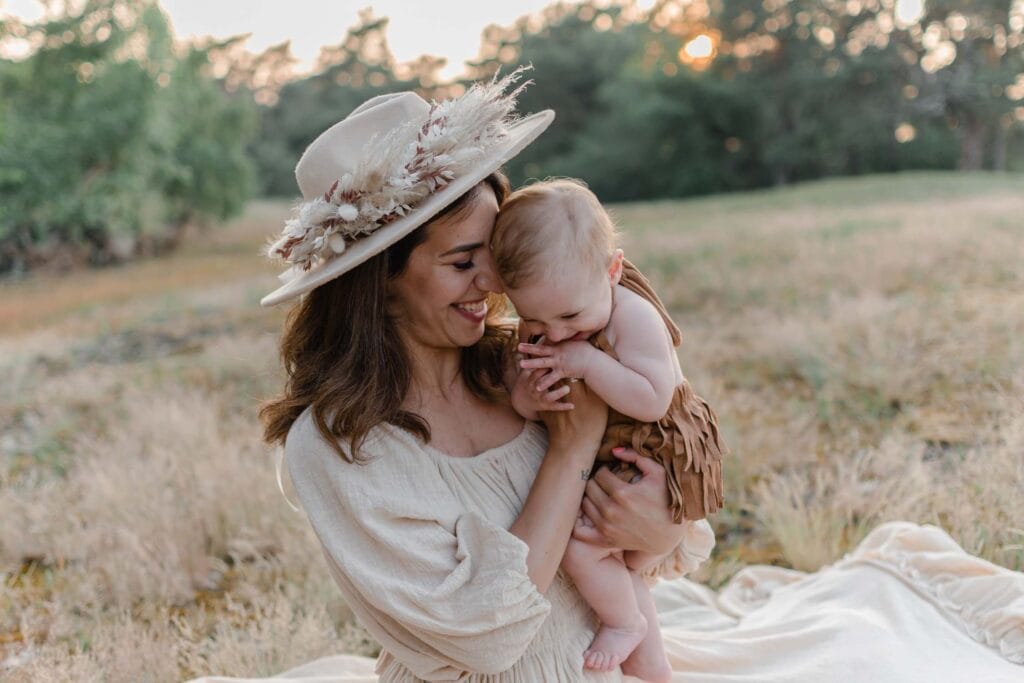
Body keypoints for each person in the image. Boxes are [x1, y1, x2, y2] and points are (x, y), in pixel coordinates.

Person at [256, 71, 714, 682]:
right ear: (378, 284)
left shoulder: (526, 361)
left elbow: (663, 533)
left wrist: (657, 530)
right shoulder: (340, 447)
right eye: (462, 262)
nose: (494, 284)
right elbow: (486, 639)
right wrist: (571, 447)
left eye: (494, 255)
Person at [490, 178, 726, 680]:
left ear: (612, 271)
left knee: (587, 547)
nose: (554, 333)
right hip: (612, 457)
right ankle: (651, 667)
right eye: (531, 316)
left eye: (570, 315)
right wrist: (529, 398)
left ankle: (624, 624)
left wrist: (586, 363)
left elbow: (652, 398)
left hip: (660, 451)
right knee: (607, 555)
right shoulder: (552, 323)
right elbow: (528, 407)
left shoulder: (634, 317)